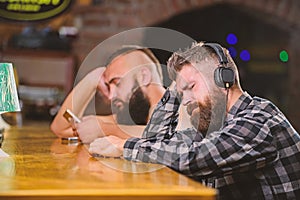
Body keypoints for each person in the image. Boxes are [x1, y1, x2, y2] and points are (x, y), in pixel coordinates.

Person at [89, 42, 300, 199]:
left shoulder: (259, 120)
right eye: (182, 94)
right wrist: (177, 89)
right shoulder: (214, 127)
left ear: (223, 79)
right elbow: (154, 141)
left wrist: (124, 146)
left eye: (192, 87)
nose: (186, 100)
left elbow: (193, 158)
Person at [50, 46, 166, 143]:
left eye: (117, 83)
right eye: (109, 87)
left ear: (144, 77)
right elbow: (62, 128)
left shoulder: (180, 105)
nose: (111, 97)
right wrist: (93, 78)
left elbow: (169, 137)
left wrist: (106, 130)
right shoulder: (133, 117)